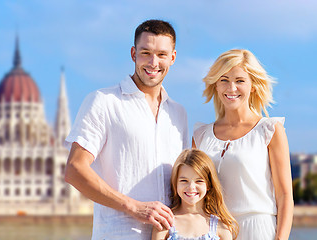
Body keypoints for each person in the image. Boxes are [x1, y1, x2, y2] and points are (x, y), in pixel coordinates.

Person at [64, 19, 189, 239]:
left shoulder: (178, 114)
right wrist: (133, 207)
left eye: (161, 54)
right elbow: (74, 169)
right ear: (133, 54)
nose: (153, 62)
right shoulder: (103, 101)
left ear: (173, 58)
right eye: (145, 53)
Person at [192, 49, 293, 239]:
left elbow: (285, 195)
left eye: (239, 81)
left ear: (253, 85)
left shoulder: (270, 130)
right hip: (213, 231)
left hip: (258, 229)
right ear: (215, 85)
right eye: (224, 80)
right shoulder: (200, 135)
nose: (231, 88)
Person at [152, 149, 238, 240]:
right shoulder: (164, 223)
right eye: (184, 180)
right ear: (175, 183)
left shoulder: (221, 227)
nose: (191, 187)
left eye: (199, 181)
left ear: (208, 184)